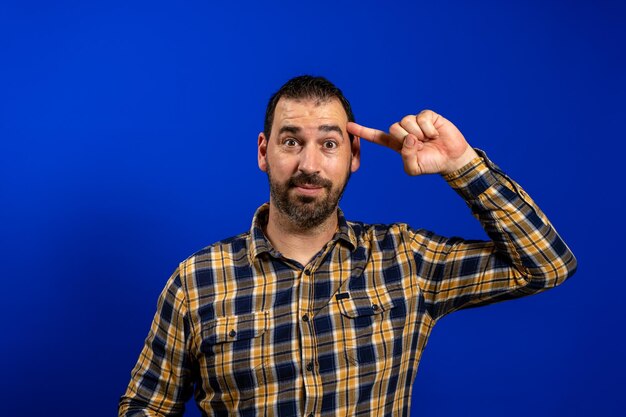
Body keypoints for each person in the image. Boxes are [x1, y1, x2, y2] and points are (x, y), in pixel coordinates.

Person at [118, 75, 577, 416]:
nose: (309, 163)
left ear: (354, 156)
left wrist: (460, 164)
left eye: (330, 143)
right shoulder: (198, 280)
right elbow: (147, 406)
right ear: (264, 152)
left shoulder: (405, 259)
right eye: (291, 140)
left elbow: (546, 265)